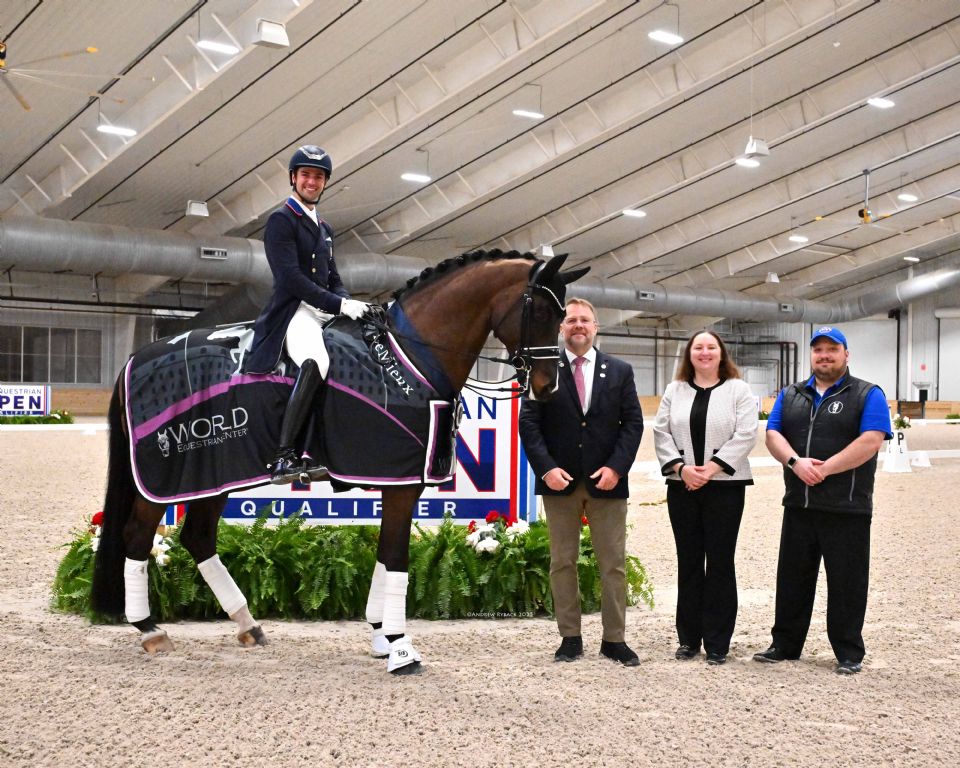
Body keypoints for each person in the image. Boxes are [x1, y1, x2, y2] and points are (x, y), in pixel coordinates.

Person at [753, 326, 892, 675]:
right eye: (818, 350)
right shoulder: (790, 394)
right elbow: (773, 433)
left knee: (847, 582)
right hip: (799, 504)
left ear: (846, 355)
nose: (824, 355)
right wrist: (795, 463)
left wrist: (825, 469)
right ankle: (785, 644)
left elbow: (871, 440)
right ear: (811, 355)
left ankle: (848, 651)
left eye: (832, 349)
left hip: (847, 507)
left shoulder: (868, 393)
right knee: (792, 579)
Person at [518, 298, 644, 667]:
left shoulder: (620, 371)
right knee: (562, 562)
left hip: (607, 483)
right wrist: (547, 469)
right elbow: (529, 423)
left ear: (595, 326)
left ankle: (614, 640)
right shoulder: (543, 369)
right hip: (560, 483)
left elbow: (633, 423)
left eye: (584, 320)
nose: (578, 325)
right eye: (571, 320)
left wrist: (616, 468)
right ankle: (569, 638)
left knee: (613, 565)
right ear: (561, 327)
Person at [243, 145, 370, 483]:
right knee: (317, 361)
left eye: (318, 176)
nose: (311, 181)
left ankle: (326, 448)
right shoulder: (282, 220)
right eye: (306, 175)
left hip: (323, 308)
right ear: (293, 178)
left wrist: (348, 303)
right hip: (295, 309)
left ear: (325, 182)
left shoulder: (325, 228)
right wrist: (337, 305)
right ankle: (284, 456)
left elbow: (333, 277)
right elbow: (290, 279)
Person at [653, 330, 758, 666]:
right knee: (688, 561)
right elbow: (661, 431)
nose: (705, 352)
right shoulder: (674, 390)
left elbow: (747, 433)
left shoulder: (739, 390)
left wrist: (711, 469)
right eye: (698, 347)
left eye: (711, 347)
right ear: (689, 354)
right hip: (682, 487)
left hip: (725, 487)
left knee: (720, 562)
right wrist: (682, 469)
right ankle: (688, 638)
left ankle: (717, 642)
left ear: (721, 353)